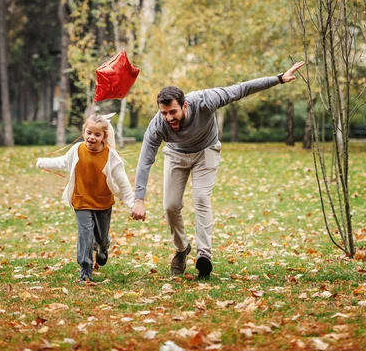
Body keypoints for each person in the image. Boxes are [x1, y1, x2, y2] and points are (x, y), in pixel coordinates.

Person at [130, 61, 306, 278]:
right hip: (176, 155)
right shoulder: (158, 125)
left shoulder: (205, 100)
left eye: (173, 112)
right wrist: (139, 198)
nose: (169, 118)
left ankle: (204, 255)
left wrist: (278, 78)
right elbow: (145, 159)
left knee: (202, 198)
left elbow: (240, 89)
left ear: (185, 106)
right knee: (170, 206)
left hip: (206, 151)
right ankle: (182, 248)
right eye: (164, 113)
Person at [36, 114, 134, 282]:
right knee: (85, 234)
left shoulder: (110, 156)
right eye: (89, 133)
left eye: (97, 135)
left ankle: (103, 248)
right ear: (83, 132)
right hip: (81, 201)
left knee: (101, 238)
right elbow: (62, 162)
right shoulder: (77, 150)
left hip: (103, 203)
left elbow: (123, 182)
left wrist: (132, 203)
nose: (92, 137)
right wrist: (43, 162)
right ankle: (85, 271)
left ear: (105, 136)